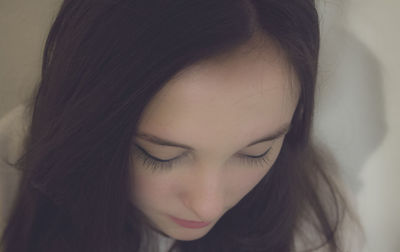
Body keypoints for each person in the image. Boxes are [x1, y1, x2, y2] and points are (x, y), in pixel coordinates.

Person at [0, 0, 365, 251]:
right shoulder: (16, 162)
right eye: (161, 154)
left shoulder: (316, 227)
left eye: (257, 152)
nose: (207, 206)